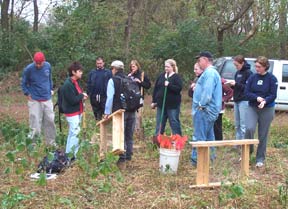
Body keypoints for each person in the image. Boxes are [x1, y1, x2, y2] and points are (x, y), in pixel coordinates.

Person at [244, 56, 278, 168]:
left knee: (263, 134)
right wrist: (256, 98)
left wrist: (265, 101)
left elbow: (273, 95)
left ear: (265, 67)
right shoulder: (252, 77)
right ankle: (247, 153)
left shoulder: (272, 79)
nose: (256, 68)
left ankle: (260, 158)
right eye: (256, 66)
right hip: (253, 107)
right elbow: (247, 92)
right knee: (249, 128)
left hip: (267, 109)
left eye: (259, 66)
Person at [190, 51, 222, 166]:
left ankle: (197, 162)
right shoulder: (210, 73)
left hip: (204, 111)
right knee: (209, 137)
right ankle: (211, 160)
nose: (198, 63)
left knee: (199, 137)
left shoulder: (210, 73)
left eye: (199, 60)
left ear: (205, 60)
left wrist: (200, 105)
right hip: (208, 111)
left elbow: (207, 93)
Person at [21, 51, 56, 146]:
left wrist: (51, 88)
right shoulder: (29, 69)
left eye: (40, 63)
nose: (38, 65)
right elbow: (23, 83)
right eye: (36, 63)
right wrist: (27, 93)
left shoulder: (48, 66)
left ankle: (51, 143)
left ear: (44, 61)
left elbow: (49, 79)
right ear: (34, 61)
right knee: (35, 123)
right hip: (35, 100)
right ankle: (33, 145)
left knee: (50, 121)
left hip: (47, 99)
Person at [104, 60, 136, 164]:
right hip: (132, 110)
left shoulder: (112, 80)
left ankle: (122, 159)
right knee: (129, 135)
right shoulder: (129, 79)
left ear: (114, 69)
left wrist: (107, 112)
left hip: (119, 112)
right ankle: (129, 156)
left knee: (120, 135)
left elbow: (109, 98)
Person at [61, 62, 88, 158]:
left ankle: (68, 153)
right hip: (72, 112)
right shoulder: (68, 85)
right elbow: (72, 100)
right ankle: (73, 155)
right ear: (73, 72)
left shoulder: (75, 83)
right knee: (76, 133)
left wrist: (81, 97)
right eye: (79, 71)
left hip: (77, 111)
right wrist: (81, 96)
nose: (81, 73)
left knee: (72, 133)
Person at [151, 59, 183, 137]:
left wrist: (169, 85)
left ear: (172, 67)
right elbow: (156, 89)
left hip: (172, 105)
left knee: (174, 121)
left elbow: (179, 89)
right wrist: (154, 101)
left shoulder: (176, 77)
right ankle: (158, 139)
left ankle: (177, 139)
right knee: (160, 122)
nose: (166, 68)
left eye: (168, 67)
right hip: (161, 104)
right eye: (165, 67)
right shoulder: (161, 76)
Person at [230, 55, 253, 140]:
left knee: (243, 124)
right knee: (237, 124)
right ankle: (237, 143)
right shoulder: (237, 73)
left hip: (244, 100)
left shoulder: (248, 73)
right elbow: (237, 86)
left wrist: (236, 84)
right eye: (234, 65)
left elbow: (248, 88)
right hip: (236, 100)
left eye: (237, 65)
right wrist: (232, 85)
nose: (236, 67)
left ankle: (244, 145)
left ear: (242, 63)